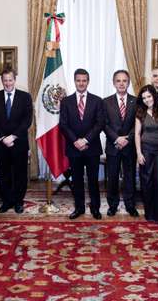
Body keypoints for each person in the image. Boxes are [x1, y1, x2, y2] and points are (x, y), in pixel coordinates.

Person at [60, 69, 105, 220]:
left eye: (84, 80)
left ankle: (95, 208)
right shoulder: (66, 101)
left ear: (88, 81)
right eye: (78, 80)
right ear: (74, 81)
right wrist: (76, 141)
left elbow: (99, 124)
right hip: (74, 148)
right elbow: (63, 125)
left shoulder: (97, 100)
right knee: (77, 180)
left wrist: (85, 140)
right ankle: (79, 208)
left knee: (93, 180)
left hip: (92, 148)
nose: (81, 83)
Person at [0, 69, 32, 214]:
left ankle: (19, 202)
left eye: (10, 80)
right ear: (2, 81)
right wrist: (2, 138)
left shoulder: (25, 97)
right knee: (3, 174)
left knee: (20, 174)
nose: (8, 83)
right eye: (5, 80)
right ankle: (7, 201)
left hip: (18, 142)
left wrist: (12, 137)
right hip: (0, 144)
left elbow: (27, 121)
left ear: (15, 80)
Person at [135, 84, 158, 222]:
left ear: (154, 96)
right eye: (144, 97)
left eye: (149, 96)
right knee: (147, 181)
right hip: (146, 150)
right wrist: (139, 153)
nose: (147, 100)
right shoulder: (140, 112)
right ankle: (149, 212)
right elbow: (137, 134)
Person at [103, 70, 138, 217]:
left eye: (124, 81)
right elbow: (103, 124)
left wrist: (127, 139)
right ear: (114, 83)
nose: (121, 83)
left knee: (129, 177)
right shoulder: (105, 102)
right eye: (118, 81)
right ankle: (113, 205)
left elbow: (138, 124)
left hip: (130, 146)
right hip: (113, 145)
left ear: (128, 83)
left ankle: (130, 205)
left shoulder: (136, 101)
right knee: (112, 177)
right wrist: (117, 139)